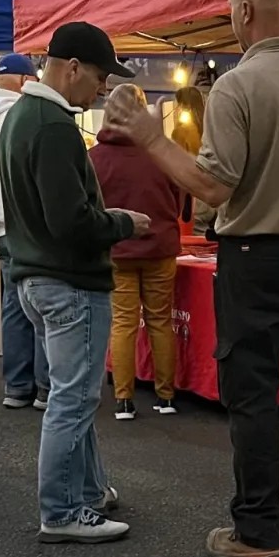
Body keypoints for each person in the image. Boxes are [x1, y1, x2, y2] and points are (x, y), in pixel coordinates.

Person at [106, 0, 279, 557]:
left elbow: (213, 187)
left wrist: (151, 136)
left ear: (245, 13)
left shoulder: (237, 87)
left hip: (255, 258)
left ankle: (259, 530)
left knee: (253, 398)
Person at [0, 23, 152, 545]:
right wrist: (123, 223)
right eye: (99, 76)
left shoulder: (23, 116)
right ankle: (63, 509)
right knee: (74, 398)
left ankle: (86, 492)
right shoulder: (54, 125)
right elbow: (71, 222)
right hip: (67, 280)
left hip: (36, 276)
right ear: (71, 69)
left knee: (76, 394)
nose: (102, 88)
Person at [92, 84, 184, 419]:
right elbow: (178, 197)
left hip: (117, 250)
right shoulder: (161, 151)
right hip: (160, 246)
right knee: (161, 322)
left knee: (123, 323)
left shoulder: (95, 158)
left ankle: (124, 399)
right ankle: (166, 396)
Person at [0, 55, 49, 407]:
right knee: (44, 304)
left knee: (15, 303)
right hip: (23, 221)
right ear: (23, 79)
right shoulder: (22, 116)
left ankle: (17, 386)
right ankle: (46, 387)